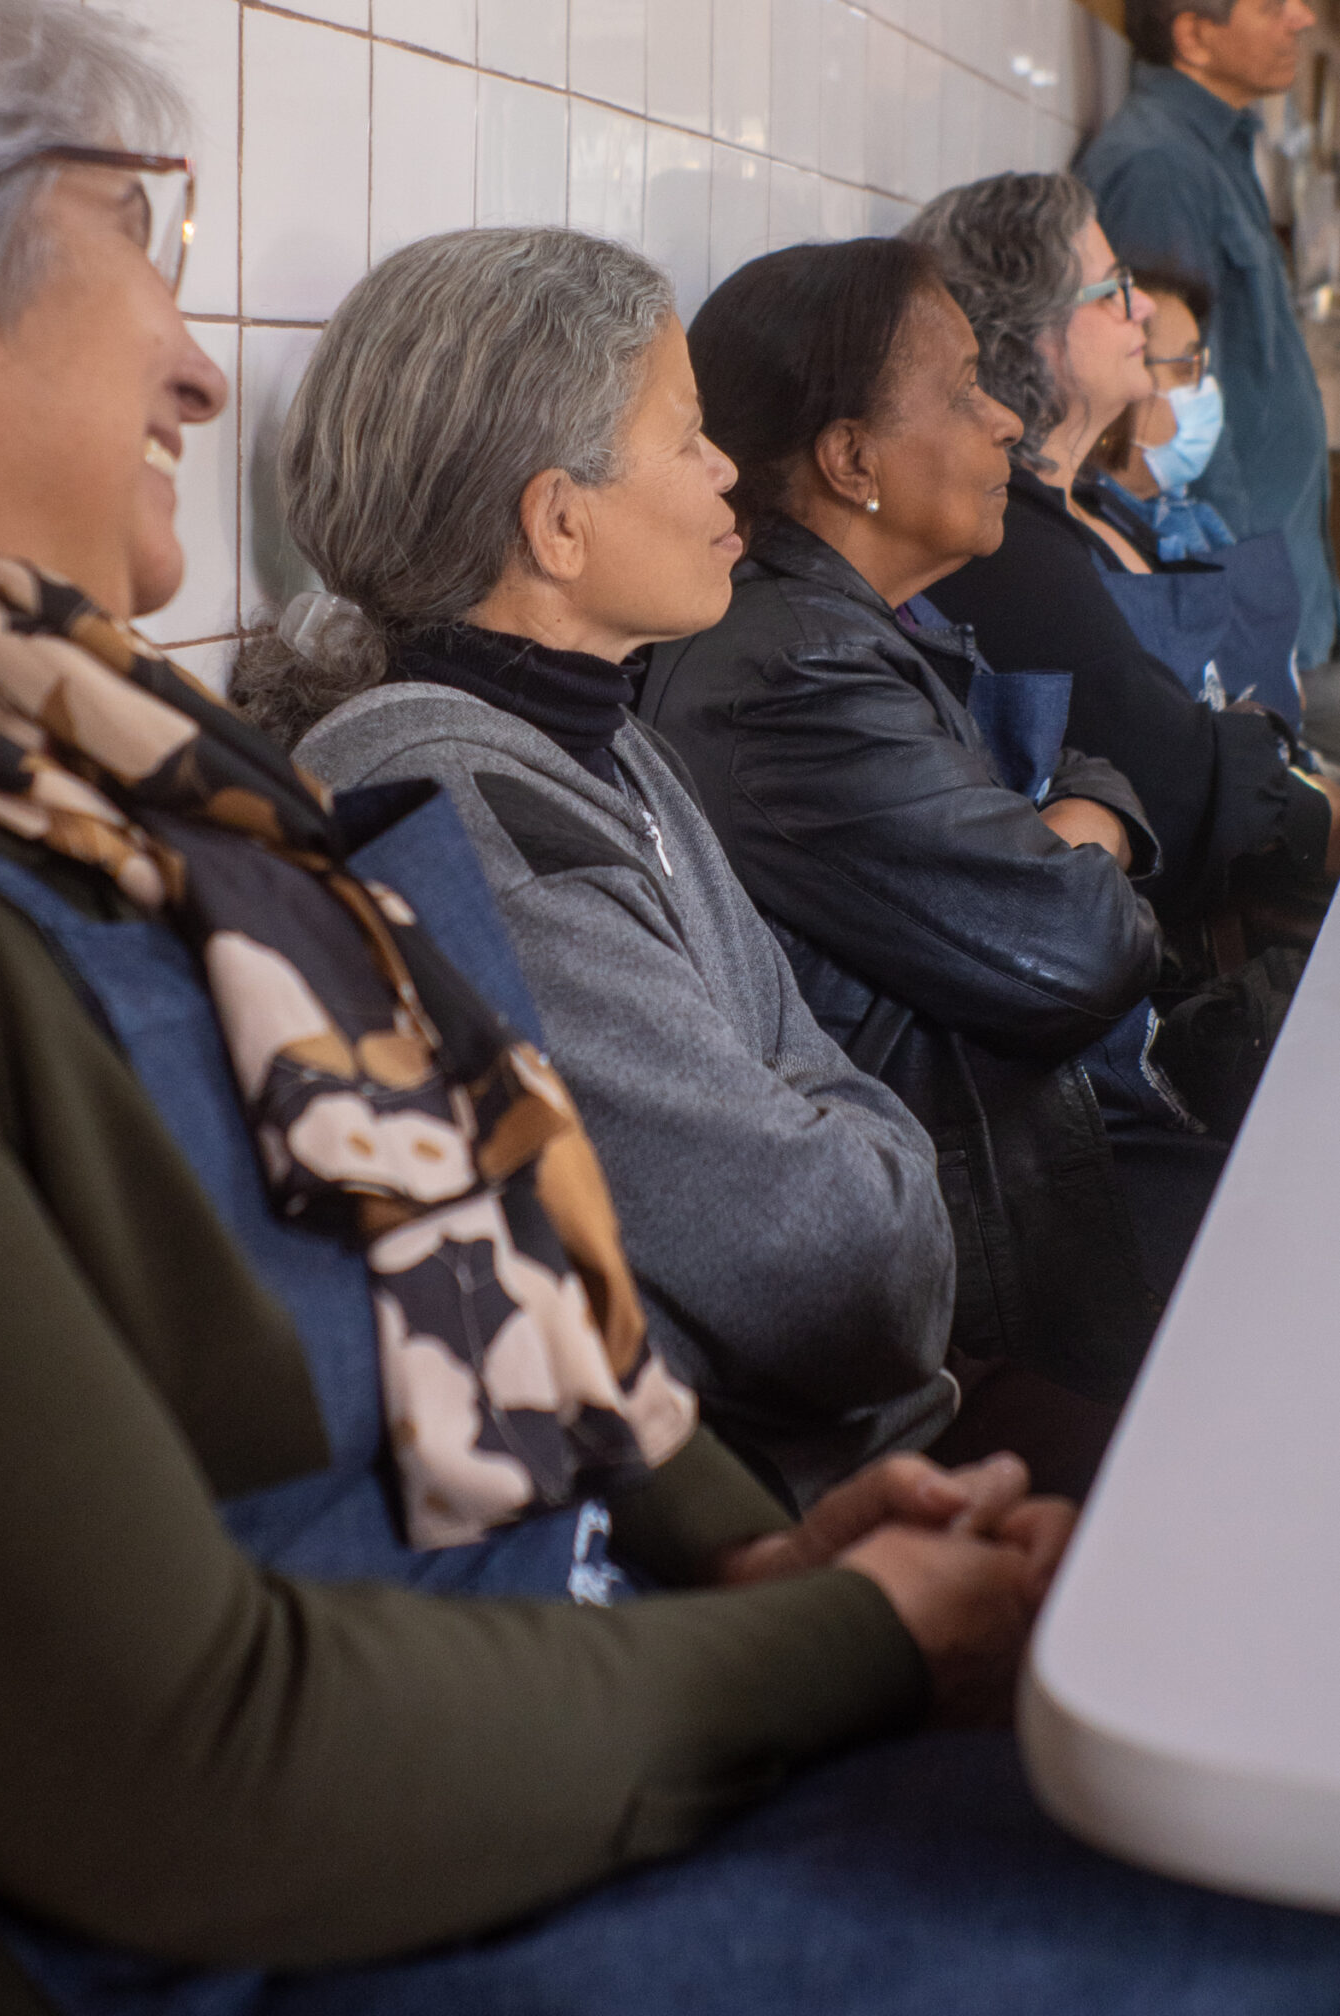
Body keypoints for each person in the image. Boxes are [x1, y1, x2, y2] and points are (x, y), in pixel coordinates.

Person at [0, 0, 1339, 2016]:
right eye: (135, 233)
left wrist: (760, 1555)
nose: (193, 363)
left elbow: (499, 1258)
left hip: (461, 1742)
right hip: (60, 1990)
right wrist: (848, 1640)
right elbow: (184, 1763)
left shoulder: (64, 756)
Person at [230, 227, 958, 1507]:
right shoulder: (457, 811)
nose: (727, 469)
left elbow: (796, 1070)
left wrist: (825, 1124)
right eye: (687, 436)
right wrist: (866, 1149)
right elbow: (840, 1273)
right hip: (754, 1513)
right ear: (558, 523)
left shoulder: (604, 743)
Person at [637, 236, 1226, 1421]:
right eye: (962, 392)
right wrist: (1075, 838)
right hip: (1013, 1238)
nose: (1007, 419)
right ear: (851, 456)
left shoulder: (868, 621)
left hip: (1062, 1139)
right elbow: (1080, 950)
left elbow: (1086, 769)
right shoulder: (789, 672)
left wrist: (1065, 825)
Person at [915, 174, 1337, 951]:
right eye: (1113, 291)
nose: (1140, 306)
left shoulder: (1099, 506)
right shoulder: (1003, 543)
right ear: (1032, 329)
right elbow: (1173, 774)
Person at [1074, 0, 1336, 672]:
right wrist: (1244, 623)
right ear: (1193, 35)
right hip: (1243, 619)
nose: (1304, 17)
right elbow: (1157, 412)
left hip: (1281, 601)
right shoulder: (1157, 167)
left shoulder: (1217, 149)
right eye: (1277, 0)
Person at [1082, 264, 1302, 721]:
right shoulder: (1084, 541)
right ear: (1120, 374)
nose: (1206, 389)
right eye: (1185, 369)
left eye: (1202, 366)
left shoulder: (1188, 517)